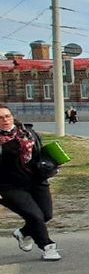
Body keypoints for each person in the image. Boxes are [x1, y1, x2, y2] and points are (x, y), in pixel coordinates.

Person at [0, 105, 60, 261]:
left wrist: (52, 163)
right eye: (0, 118)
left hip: (36, 180)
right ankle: (48, 246)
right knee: (35, 216)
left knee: (46, 215)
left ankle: (23, 233)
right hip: (9, 186)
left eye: (7, 116)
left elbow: (39, 153)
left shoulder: (27, 132)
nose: (5, 120)